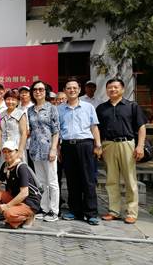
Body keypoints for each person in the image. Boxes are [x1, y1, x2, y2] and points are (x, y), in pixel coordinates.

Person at [96, 77, 147, 224]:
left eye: (116, 87)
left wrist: (140, 146)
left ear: (122, 89)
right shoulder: (101, 108)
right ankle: (114, 211)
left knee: (130, 179)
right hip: (108, 145)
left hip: (127, 144)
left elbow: (141, 127)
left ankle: (131, 212)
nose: (112, 90)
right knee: (111, 180)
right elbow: (97, 128)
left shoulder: (132, 106)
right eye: (109, 87)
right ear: (106, 90)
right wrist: (98, 146)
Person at [57, 78, 102, 225]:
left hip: (85, 145)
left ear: (79, 89)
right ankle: (75, 210)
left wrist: (98, 145)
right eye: (69, 88)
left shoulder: (88, 107)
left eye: (74, 88)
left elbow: (94, 127)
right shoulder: (59, 109)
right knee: (72, 179)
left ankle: (91, 212)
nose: (72, 90)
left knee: (88, 179)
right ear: (65, 90)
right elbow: (57, 130)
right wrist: (58, 148)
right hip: (67, 146)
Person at [0, 140, 41, 229]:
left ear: (16, 152)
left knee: (8, 213)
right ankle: (9, 217)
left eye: (10, 151)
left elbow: (24, 193)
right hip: (15, 198)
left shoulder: (21, 167)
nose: (7, 154)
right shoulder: (5, 165)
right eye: (4, 152)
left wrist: (7, 206)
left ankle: (28, 216)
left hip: (29, 202)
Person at [27, 80, 60, 222]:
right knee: (41, 182)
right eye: (35, 89)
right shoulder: (30, 110)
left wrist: (53, 149)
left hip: (48, 150)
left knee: (52, 181)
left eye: (41, 89)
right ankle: (44, 208)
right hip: (35, 150)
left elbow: (56, 131)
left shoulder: (52, 108)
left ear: (45, 92)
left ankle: (54, 210)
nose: (38, 92)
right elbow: (30, 130)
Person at [0, 89, 27, 161]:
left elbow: (24, 133)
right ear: (4, 100)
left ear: (18, 102)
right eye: (8, 99)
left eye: (13, 100)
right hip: (4, 148)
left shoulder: (21, 114)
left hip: (16, 147)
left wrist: (20, 151)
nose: (10, 102)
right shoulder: (1, 114)